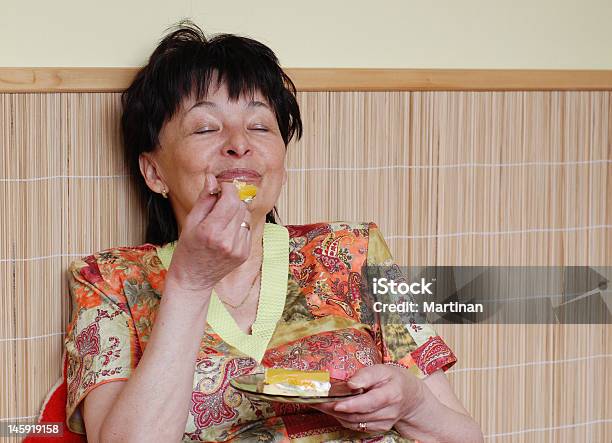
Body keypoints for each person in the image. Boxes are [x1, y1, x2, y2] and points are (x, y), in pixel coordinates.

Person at [63, 21, 484, 442]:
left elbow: (464, 438)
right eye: (206, 128)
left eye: (260, 126)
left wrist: (411, 404)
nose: (239, 144)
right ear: (154, 172)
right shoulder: (110, 281)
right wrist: (191, 284)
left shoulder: (353, 251)